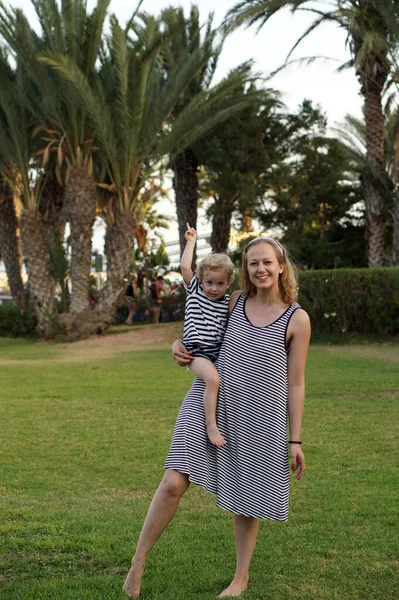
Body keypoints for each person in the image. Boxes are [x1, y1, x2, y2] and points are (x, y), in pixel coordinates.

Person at [123, 237, 311, 598]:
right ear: (246, 268)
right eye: (253, 263)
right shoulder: (235, 300)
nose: (261, 269)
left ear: (281, 266)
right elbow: (199, 323)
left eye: (268, 262)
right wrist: (176, 346)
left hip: (259, 416)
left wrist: (295, 438)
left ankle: (240, 578)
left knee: (247, 499)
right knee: (173, 482)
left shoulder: (297, 318)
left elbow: (297, 381)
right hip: (210, 401)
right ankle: (137, 564)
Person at [181, 222, 235, 446]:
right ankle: (211, 426)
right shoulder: (195, 290)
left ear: (228, 282)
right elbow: (185, 268)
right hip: (196, 352)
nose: (214, 288)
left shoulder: (226, 302)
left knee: (222, 381)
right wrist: (191, 242)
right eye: (209, 283)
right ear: (201, 280)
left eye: (220, 283)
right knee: (213, 380)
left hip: (216, 355)